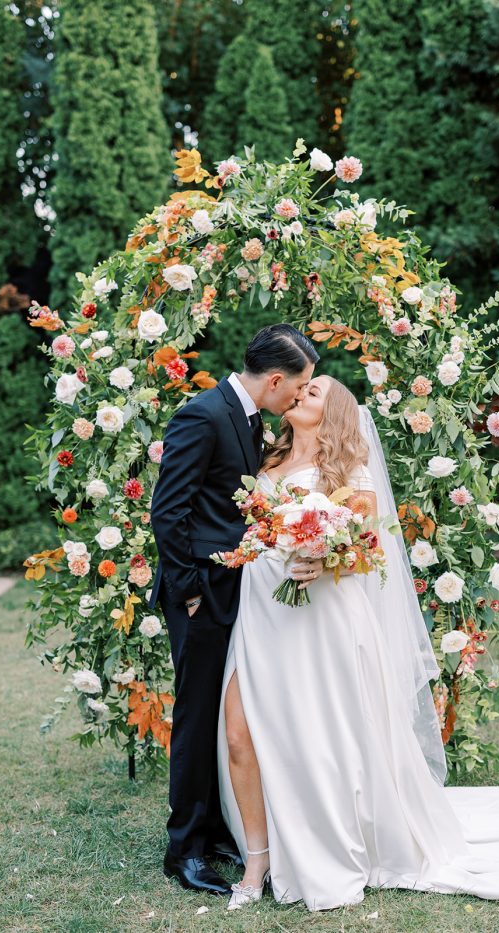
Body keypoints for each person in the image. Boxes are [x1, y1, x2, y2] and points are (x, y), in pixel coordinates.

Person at [217, 374, 499, 912]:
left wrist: (325, 556)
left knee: (320, 741)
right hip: (263, 614)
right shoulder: (267, 462)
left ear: (333, 414)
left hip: (323, 624)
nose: (299, 394)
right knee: (240, 735)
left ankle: (326, 843)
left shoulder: (351, 471)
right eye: (301, 388)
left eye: (313, 392)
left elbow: (366, 551)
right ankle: (257, 857)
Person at [148, 323, 322, 896]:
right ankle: (184, 850)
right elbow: (167, 511)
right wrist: (189, 591)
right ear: (274, 380)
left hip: (236, 592)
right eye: (299, 385)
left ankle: (215, 829)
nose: (300, 395)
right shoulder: (203, 415)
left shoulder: (247, 417)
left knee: (224, 717)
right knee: (197, 717)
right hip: (201, 594)